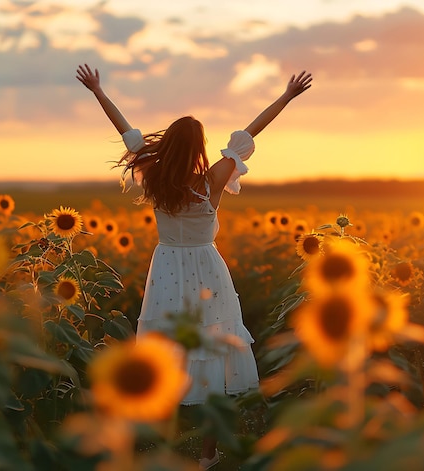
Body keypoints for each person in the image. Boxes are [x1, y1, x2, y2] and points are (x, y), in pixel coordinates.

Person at [76, 63, 312, 469]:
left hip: (166, 266)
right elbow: (250, 133)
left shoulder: (155, 176)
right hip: (208, 268)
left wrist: (98, 91)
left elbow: (127, 133)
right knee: (213, 352)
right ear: (199, 148)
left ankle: (161, 441)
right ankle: (206, 455)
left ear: (167, 146)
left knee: (166, 351)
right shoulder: (212, 180)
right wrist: (287, 97)